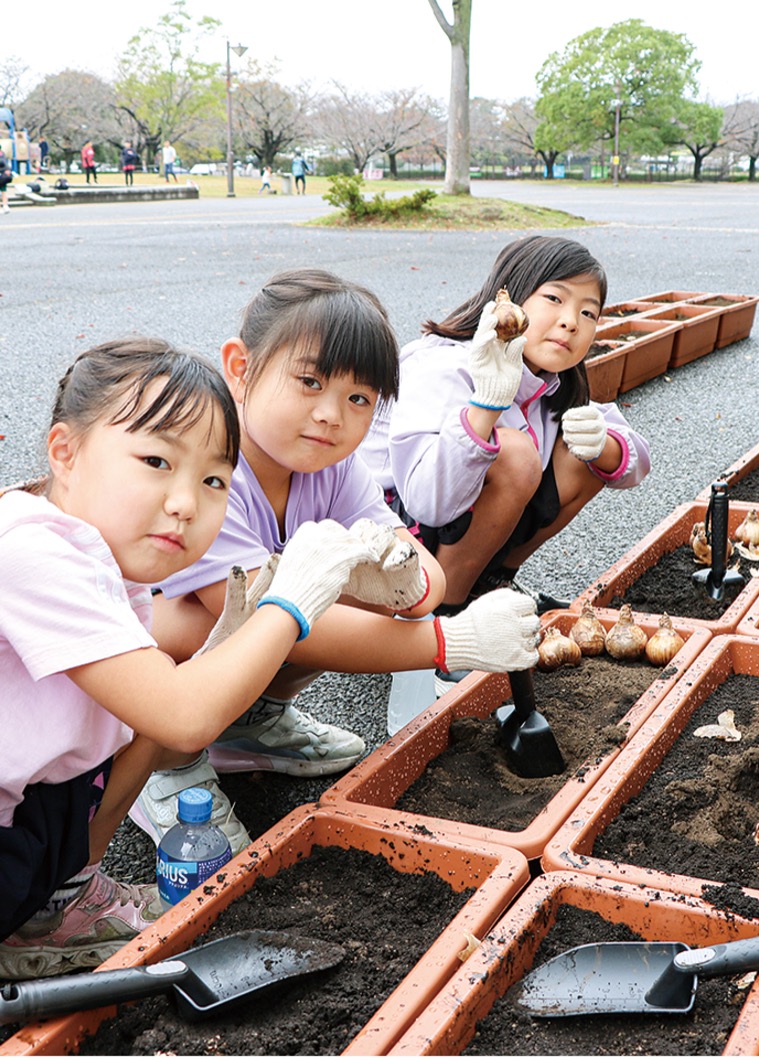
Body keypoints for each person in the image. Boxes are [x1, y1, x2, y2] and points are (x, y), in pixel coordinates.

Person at [0, 338, 383, 978]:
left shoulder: (94, 555)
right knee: (174, 693)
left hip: (28, 808)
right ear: (64, 453)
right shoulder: (32, 552)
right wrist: (289, 602)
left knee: (162, 675)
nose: (185, 502)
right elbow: (184, 720)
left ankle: (58, 905)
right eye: (155, 460)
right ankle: (29, 920)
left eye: (212, 481)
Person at [147, 269, 540, 850]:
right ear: (240, 369)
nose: (333, 414)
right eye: (309, 381)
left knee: (360, 586)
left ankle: (252, 724)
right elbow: (268, 618)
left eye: (359, 398)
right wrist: (448, 641)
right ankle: (164, 762)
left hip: (250, 639)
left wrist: (406, 583)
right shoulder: (208, 470)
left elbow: (416, 573)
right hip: (135, 673)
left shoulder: (332, 468)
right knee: (224, 615)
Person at [358, 236, 651, 624]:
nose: (570, 321)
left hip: (445, 529)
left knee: (585, 447)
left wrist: (604, 445)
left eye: (588, 314)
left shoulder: (550, 383)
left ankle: (490, 583)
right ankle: (445, 619)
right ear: (509, 301)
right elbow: (428, 500)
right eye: (554, 298)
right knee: (514, 454)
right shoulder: (445, 365)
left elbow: (636, 460)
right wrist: (486, 406)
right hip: (387, 540)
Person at [0, 147, 11, 215]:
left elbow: (5, 164)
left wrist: (7, 170)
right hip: (2, 173)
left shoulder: (2, 154)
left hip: (2, 175)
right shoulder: (2, 154)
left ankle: (5, 205)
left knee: (4, 191)